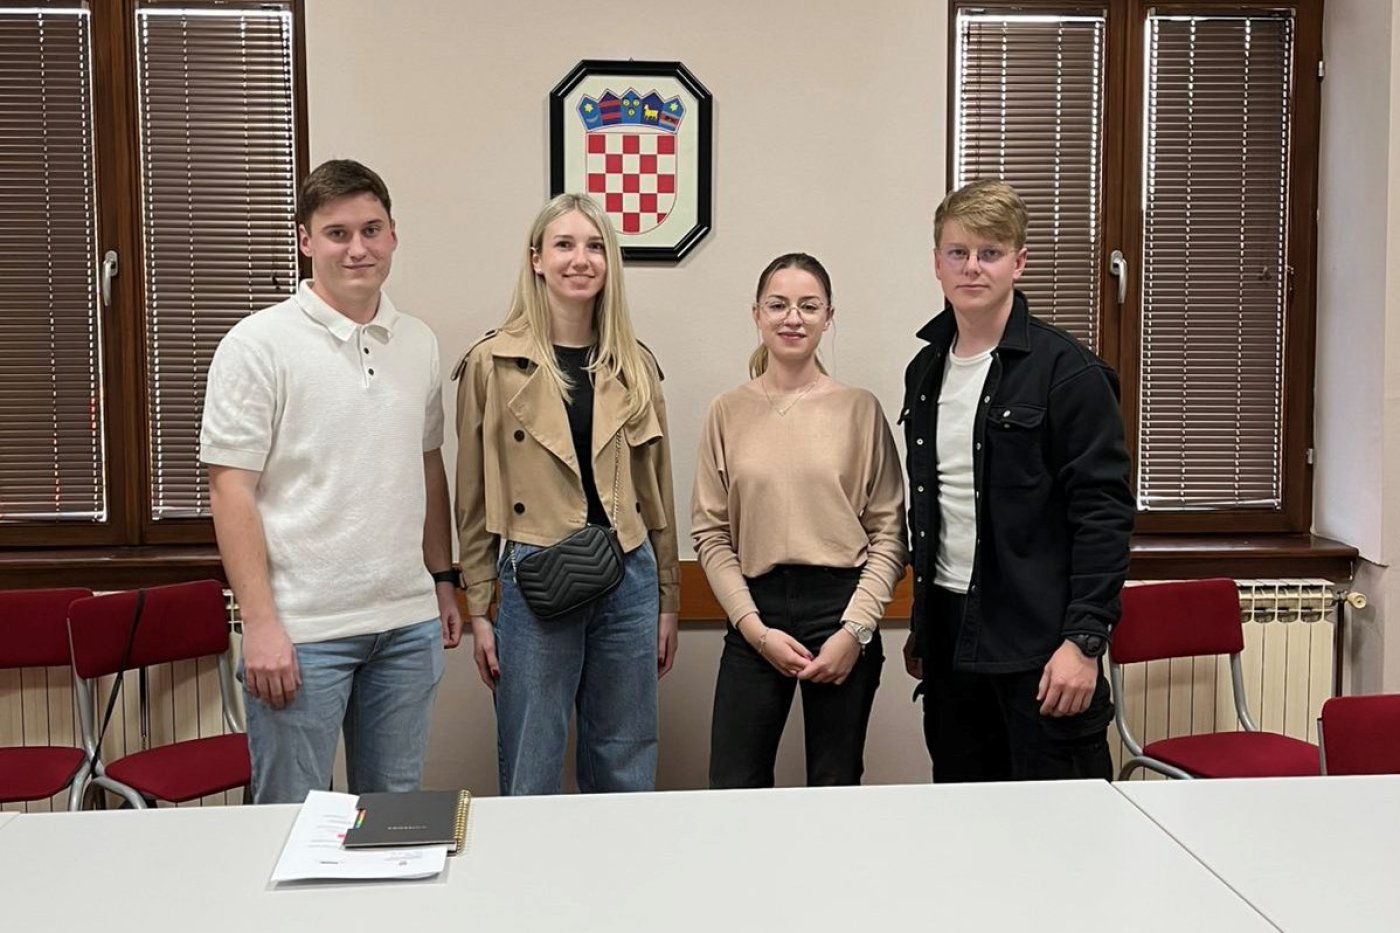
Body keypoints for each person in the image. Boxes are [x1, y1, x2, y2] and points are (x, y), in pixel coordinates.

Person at [201, 159, 463, 804]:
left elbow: (427, 464)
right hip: (302, 631)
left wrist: (443, 579)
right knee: (291, 818)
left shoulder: (418, 342)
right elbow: (230, 489)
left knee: (393, 817)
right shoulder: (256, 344)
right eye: (337, 233)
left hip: (406, 626)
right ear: (305, 240)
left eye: (371, 230)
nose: (357, 249)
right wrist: (260, 623)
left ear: (393, 234)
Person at [902, 179, 1134, 782]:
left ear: (1018, 262)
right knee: (964, 819)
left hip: (1042, 644)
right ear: (937, 262)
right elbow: (934, 507)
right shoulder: (924, 371)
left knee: (1063, 824)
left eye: (990, 253)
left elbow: (1103, 515)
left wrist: (1084, 642)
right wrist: (924, 627)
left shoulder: (1069, 373)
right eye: (958, 252)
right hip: (951, 640)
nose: (972, 267)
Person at [454, 193, 679, 796]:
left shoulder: (635, 365)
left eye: (595, 246)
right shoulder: (492, 364)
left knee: (625, 756)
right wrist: (479, 607)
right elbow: (471, 499)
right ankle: (531, 864)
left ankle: (618, 860)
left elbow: (657, 491)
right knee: (532, 755)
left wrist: (668, 600)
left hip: (628, 572)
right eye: (564, 245)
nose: (581, 259)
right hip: (536, 572)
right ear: (536, 259)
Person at [692, 253, 907, 788]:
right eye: (778, 305)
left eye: (809, 306)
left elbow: (888, 534)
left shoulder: (859, 409)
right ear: (756, 314)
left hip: (841, 606)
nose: (793, 317)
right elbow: (712, 534)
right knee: (734, 784)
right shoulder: (726, 411)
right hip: (756, 608)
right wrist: (754, 630)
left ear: (829, 317)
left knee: (835, 784)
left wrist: (855, 631)